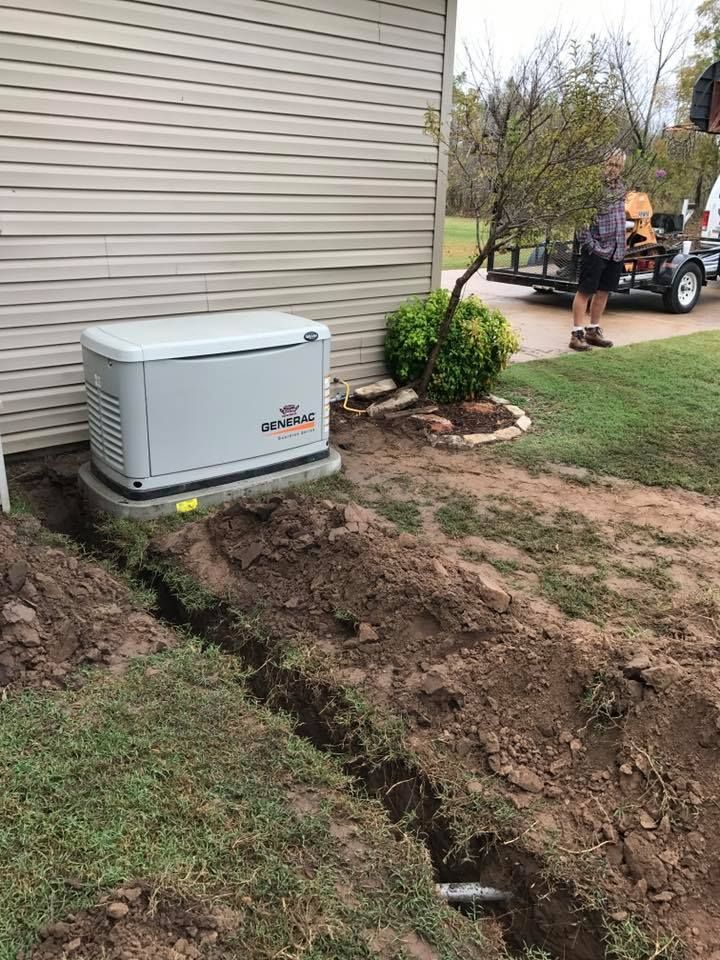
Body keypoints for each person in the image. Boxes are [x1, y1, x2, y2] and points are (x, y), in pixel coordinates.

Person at [569, 150, 627, 351]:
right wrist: (591, 246)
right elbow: (581, 223)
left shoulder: (621, 187)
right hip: (596, 250)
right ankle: (577, 334)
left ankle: (593, 330)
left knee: (604, 292)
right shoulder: (592, 189)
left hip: (616, 250)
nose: (614, 169)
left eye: (618, 166)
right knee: (585, 291)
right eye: (611, 164)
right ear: (603, 163)